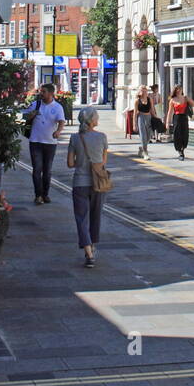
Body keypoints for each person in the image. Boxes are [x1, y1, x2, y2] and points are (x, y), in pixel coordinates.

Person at [67, 106, 108, 268]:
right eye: (96, 117)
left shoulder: (75, 138)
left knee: (81, 218)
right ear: (92, 121)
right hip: (98, 182)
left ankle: (88, 253)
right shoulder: (102, 137)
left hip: (79, 183)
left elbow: (70, 163)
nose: (98, 119)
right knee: (95, 216)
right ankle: (92, 246)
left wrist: (81, 163)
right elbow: (103, 162)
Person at [23, 84, 65, 205]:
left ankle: (45, 194)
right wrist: (30, 117)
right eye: (41, 91)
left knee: (47, 170)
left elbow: (61, 121)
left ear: (51, 94)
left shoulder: (57, 107)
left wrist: (58, 131)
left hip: (50, 143)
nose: (41, 93)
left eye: (44, 92)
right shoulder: (35, 105)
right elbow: (25, 117)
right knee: (37, 169)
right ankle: (38, 195)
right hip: (35, 141)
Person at [165, 85, 194, 161]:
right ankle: (180, 152)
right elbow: (170, 112)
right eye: (177, 89)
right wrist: (167, 123)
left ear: (182, 90)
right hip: (177, 118)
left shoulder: (185, 98)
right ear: (175, 91)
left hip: (184, 117)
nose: (179, 91)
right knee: (177, 134)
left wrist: (189, 100)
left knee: (185, 134)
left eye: (180, 89)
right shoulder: (172, 100)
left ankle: (182, 149)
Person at [134, 86, 155, 159]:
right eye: (142, 91)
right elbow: (134, 113)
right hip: (141, 117)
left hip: (148, 117)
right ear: (140, 92)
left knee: (149, 136)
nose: (144, 92)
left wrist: (156, 117)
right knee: (143, 135)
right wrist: (135, 124)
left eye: (145, 90)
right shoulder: (137, 100)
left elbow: (152, 110)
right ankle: (145, 153)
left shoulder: (150, 99)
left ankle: (141, 147)